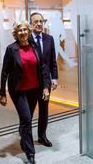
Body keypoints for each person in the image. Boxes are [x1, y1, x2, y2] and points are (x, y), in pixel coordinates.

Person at [0, 21, 51, 164]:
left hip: (34, 89)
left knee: (25, 120)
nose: (23, 32)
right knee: (27, 119)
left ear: (28, 32)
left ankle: (24, 140)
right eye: (20, 30)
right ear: (16, 33)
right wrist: (2, 93)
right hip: (19, 91)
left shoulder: (34, 46)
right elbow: (5, 71)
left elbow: (43, 67)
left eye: (25, 30)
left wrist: (46, 86)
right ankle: (30, 154)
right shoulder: (11, 49)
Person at [29, 12, 58, 147]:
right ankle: (26, 136)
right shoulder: (26, 39)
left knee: (44, 110)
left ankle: (42, 136)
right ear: (31, 24)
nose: (39, 24)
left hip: (45, 82)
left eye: (41, 21)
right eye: (36, 21)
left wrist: (54, 78)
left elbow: (52, 61)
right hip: (30, 83)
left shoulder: (49, 38)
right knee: (28, 112)